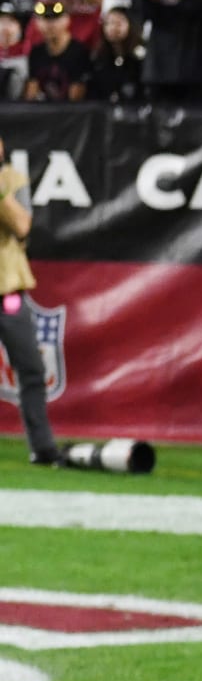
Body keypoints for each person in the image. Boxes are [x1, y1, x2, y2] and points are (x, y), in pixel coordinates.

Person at [0, 136, 56, 466]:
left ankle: (43, 447)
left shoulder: (14, 180)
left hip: (9, 294)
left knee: (32, 370)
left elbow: (22, 226)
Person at [24, 0, 90, 100]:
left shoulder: (79, 52)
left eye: (55, 19)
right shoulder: (36, 53)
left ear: (67, 20)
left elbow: (76, 99)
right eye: (45, 19)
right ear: (37, 23)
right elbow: (31, 93)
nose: (50, 25)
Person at [87, 3, 146, 102]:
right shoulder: (99, 58)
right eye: (108, 23)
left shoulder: (140, 56)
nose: (113, 28)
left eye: (118, 23)